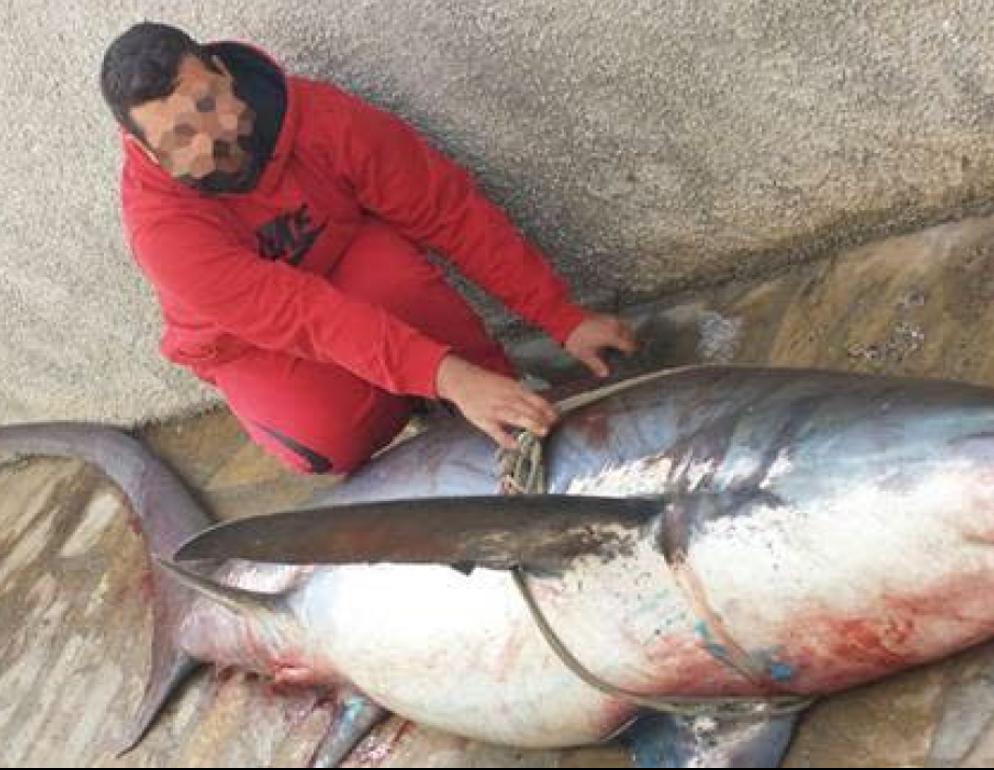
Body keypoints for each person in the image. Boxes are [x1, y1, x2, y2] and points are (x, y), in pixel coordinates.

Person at [99, 22, 636, 474]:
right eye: (180, 137)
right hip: (251, 340)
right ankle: (429, 393)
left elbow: (445, 208)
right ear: (146, 152)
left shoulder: (319, 116)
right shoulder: (162, 230)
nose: (212, 141)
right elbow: (304, 316)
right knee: (324, 439)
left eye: (208, 103)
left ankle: (491, 396)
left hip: (345, 262)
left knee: (403, 283)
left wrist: (562, 317)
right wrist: (448, 376)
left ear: (223, 73)